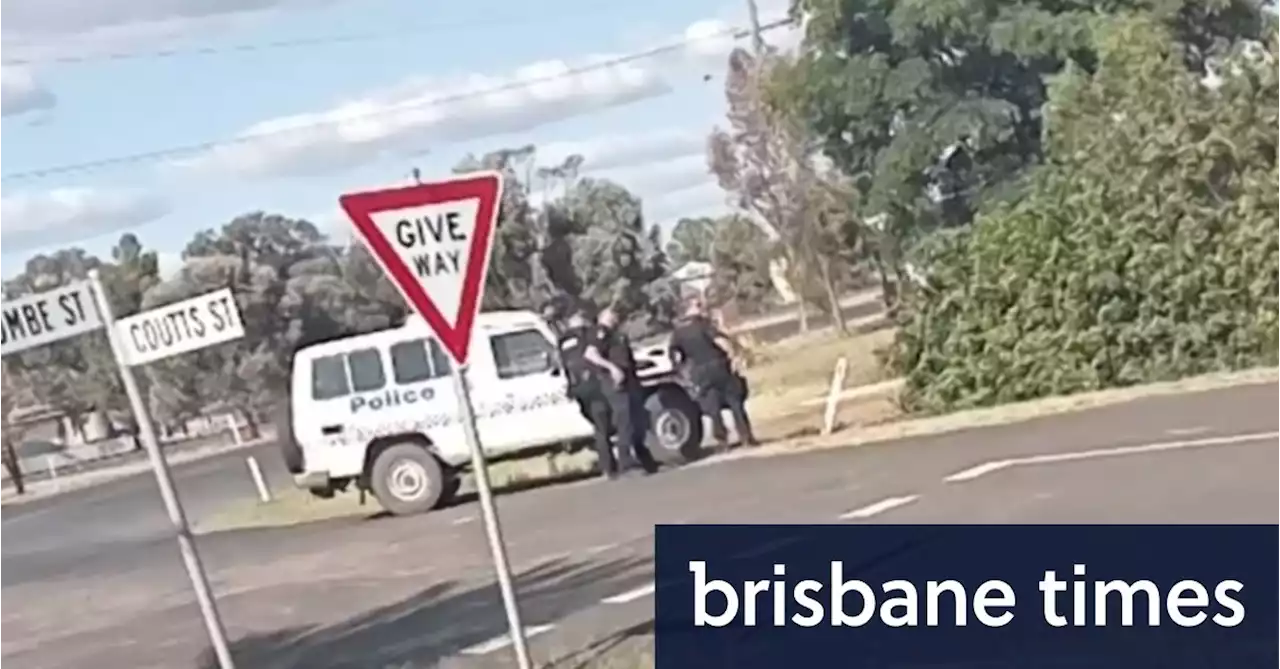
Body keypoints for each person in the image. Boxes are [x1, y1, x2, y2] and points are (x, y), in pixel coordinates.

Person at [669, 298, 758, 450]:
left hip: (700, 372)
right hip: (719, 366)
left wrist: (682, 371)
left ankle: (722, 441)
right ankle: (746, 437)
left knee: (713, 407)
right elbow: (719, 341)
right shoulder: (703, 324)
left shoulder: (678, 332)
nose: (702, 307)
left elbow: (675, 354)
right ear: (690, 309)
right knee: (735, 402)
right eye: (698, 305)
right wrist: (733, 355)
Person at [584, 305, 660, 476]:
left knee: (638, 421)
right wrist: (612, 368)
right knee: (624, 422)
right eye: (611, 315)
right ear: (603, 317)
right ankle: (626, 464)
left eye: (616, 315)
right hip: (615, 384)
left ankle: (645, 459)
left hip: (630, 381)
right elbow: (591, 354)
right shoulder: (601, 332)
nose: (615, 318)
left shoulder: (617, 334)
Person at [556, 310, 618, 479]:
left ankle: (608, 464)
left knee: (598, 426)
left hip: (577, 389)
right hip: (593, 386)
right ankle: (609, 467)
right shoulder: (587, 334)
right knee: (603, 426)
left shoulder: (563, 340)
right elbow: (593, 353)